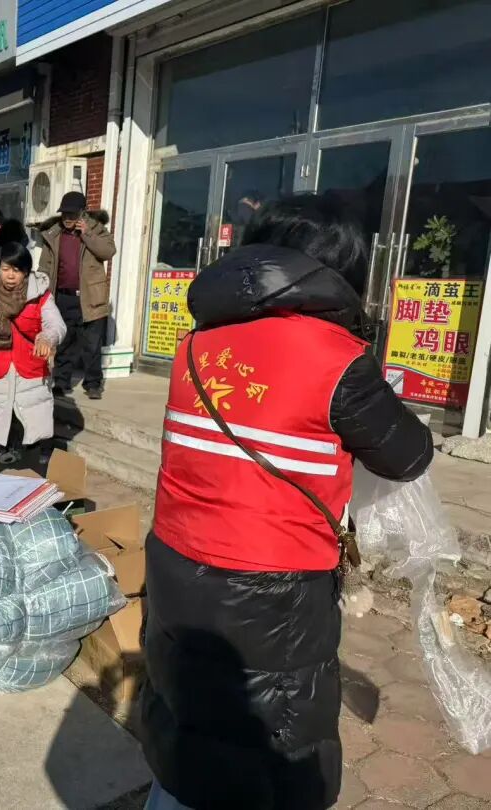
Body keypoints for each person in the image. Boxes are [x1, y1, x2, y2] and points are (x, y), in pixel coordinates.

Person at [137, 194, 434, 810]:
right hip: (276, 587)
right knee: (273, 743)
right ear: (343, 270)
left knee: (187, 708)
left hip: (173, 559)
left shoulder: (196, 343)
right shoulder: (336, 358)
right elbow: (407, 456)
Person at [0, 242, 65, 482]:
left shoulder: (40, 295)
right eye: (6, 269)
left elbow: (56, 325)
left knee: (34, 418)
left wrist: (47, 338)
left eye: (17, 270)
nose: (10, 275)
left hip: (30, 367)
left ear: (26, 271)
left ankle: (39, 466)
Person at [38, 191, 116, 400]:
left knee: (92, 344)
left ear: (83, 212)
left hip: (90, 297)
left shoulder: (96, 229)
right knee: (64, 342)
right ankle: (61, 382)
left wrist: (87, 234)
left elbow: (108, 252)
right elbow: (45, 266)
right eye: (64, 214)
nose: (67, 218)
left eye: (72, 214)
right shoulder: (53, 234)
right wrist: (42, 291)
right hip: (63, 296)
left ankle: (93, 384)